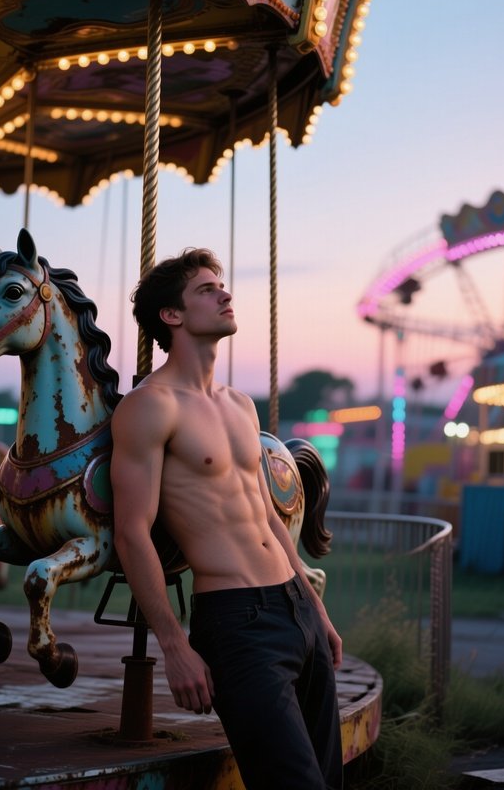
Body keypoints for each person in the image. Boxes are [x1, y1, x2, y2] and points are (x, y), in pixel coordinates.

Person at [110, 248, 343, 790]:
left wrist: (315, 609)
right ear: (172, 315)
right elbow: (131, 532)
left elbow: (266, 517)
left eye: (222, 285)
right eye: (206, 289)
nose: (225, 294)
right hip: (239, 622)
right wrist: (173, 645)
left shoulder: (240, 405)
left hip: (294, 607)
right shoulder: (151, 406)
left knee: (328, 780)